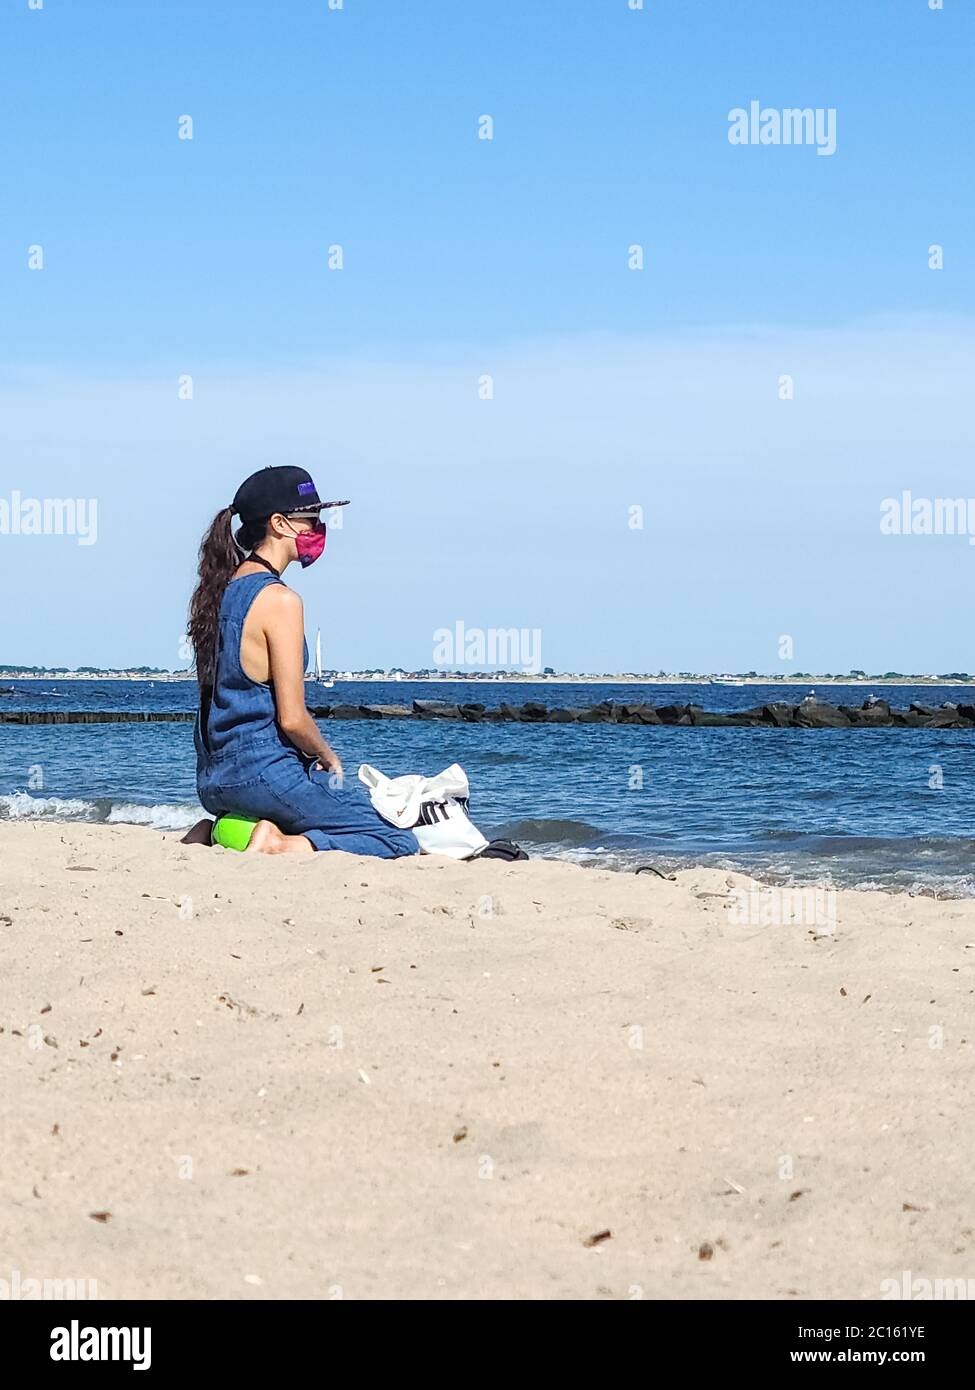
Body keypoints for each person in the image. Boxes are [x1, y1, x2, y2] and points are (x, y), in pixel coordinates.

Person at [184, 465, 420, 858]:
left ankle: (222, 832)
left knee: (322, 807)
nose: (319, 528)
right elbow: (292, 718)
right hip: (264, 774)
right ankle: (279, 844)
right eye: (311, 519)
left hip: (215, 782)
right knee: (397, 838)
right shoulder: (281, 601)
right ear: (280, 524)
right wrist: (328, 757)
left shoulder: (218, 594)